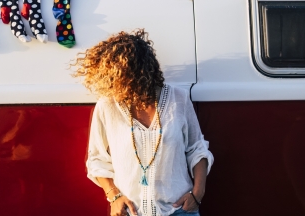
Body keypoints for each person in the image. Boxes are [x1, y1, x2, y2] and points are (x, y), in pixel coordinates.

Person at [72, 29, 214, 216]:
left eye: (123, 78)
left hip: (178, 211)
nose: (117, 85)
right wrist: (114, 196)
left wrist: (197, 194)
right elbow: (97, 159)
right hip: (130, 212)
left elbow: (197, 149)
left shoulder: (178, 99)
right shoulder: (107, 105)